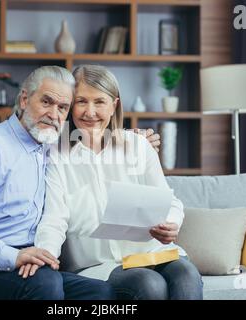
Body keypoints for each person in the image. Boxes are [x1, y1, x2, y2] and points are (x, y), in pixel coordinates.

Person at [0, 66, 116, 300]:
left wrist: (136, 140)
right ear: (24, 99)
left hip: (30, 260)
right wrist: (9, 255)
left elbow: (98, 140)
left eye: (62, 108)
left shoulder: (53, 148)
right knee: (45, 284)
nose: (54, 114)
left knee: (102, 292)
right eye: (46, 102)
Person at [33, 65, 203, 300]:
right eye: (81, 101)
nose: (90, 112)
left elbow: (170, 202)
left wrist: (171, 223)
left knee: (186, 274)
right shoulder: (57, 156)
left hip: (152, 253)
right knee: (149, 285)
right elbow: (54, 218)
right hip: (100, 265)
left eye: (99, 102)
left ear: (114, 106)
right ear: (71, 106)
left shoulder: (139, 146)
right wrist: (46, 256)